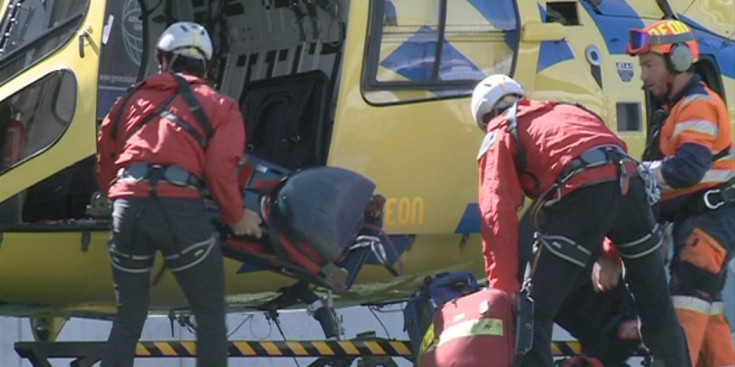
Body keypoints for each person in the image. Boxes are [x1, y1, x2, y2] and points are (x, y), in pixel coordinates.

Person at [472, 74, 691, 367]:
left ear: (487, 117)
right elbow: (614, 165)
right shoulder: (569, 110)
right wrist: (612, 255)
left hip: (582, 195)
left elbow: (496, 213)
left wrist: (503, 290)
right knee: (656, 309)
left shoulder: (500, 130)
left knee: (532, 313)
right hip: (633, 188)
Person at [96, 21, 262, 366]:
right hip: (179, 211)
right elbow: (219, 169)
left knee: (128, 317)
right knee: (210, 315)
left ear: (163, 61)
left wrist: (116, 196)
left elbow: (106, 157)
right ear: (207, 66)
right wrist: (236, 215)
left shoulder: (130, 99)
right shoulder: (221, 106)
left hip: (127, 208)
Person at [625, 19, 735, 366]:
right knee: (708, 311)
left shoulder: (696, 106)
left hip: (707, 223)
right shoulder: (680, 109)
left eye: (649, 65)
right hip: (706, 223)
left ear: (680, 61)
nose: (643, 76)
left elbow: (687, 170)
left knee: (683, 311)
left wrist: (640, 175)